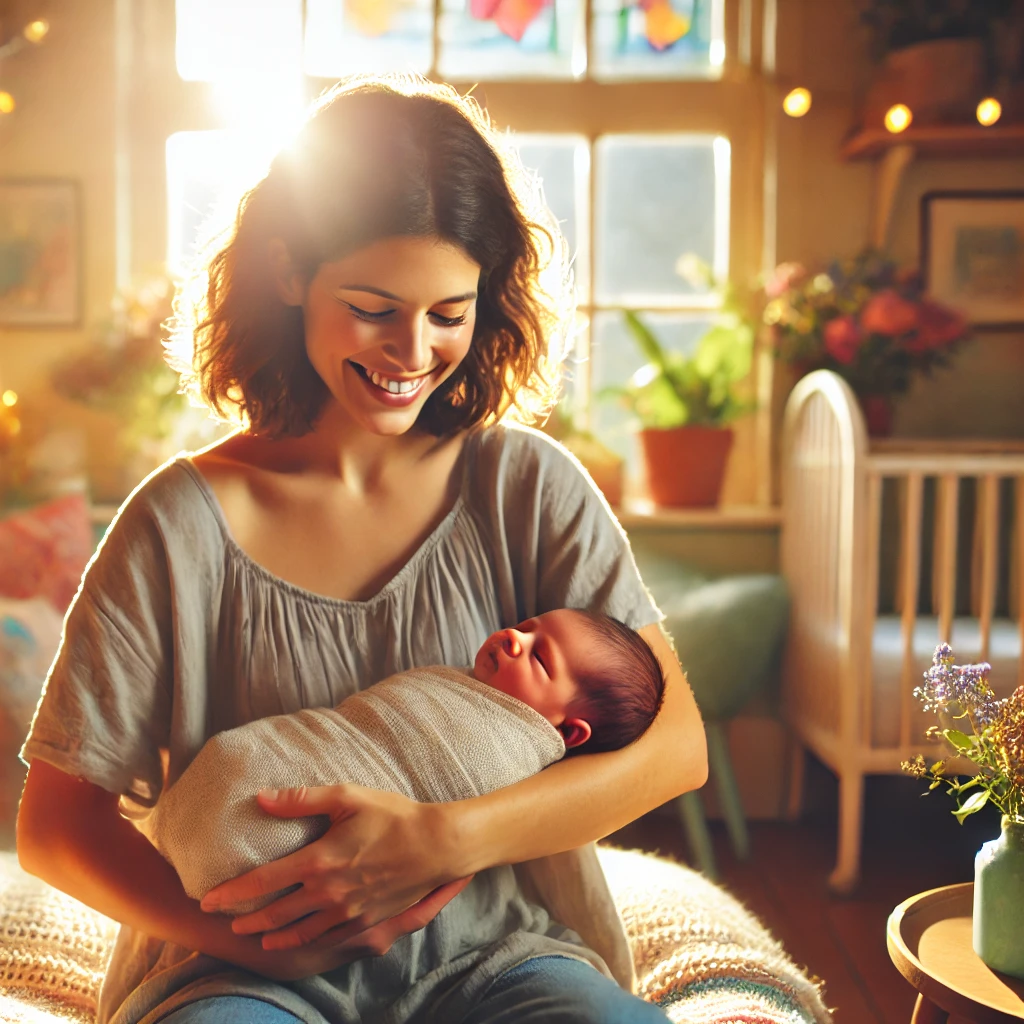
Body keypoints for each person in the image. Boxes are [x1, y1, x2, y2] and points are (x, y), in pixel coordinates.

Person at [16, 75, 707, 1024]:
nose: (411, 352)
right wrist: (252, 939)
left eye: (448, 314)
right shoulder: (176, 525)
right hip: (241, 975)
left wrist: (439, 842)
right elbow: (57, 830)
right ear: (290, 271)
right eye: (375, 307)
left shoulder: (528, 488)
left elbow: (677, 750)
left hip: (503, 965)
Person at [150, 607, 668, 915]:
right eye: (527, 626)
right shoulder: (451, 682)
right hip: (255, 769)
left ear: (567, 731)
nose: (515, 637)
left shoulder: (513, 752)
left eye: (538, 657)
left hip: (479, 945)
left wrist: (448, 835)